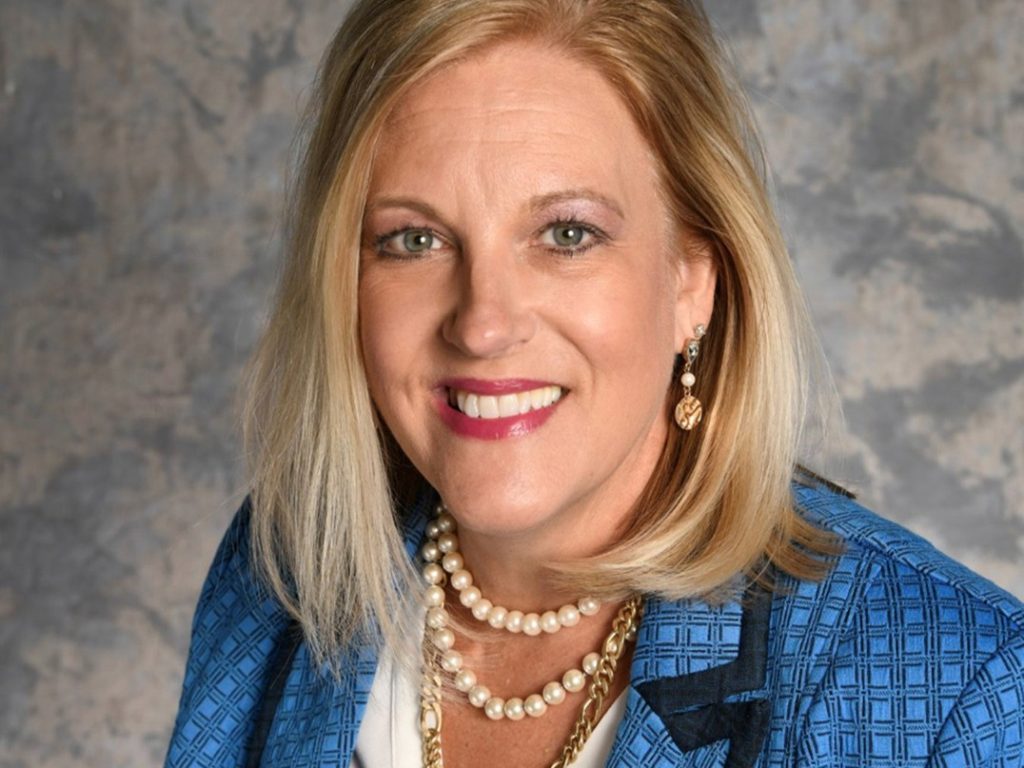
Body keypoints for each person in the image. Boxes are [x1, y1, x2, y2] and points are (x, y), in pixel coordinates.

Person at [164, 1, 1024, 766]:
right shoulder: (280, 577)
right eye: (413, 240)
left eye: (567, 234)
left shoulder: (951, 685)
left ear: (692, 278)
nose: (483, 323)